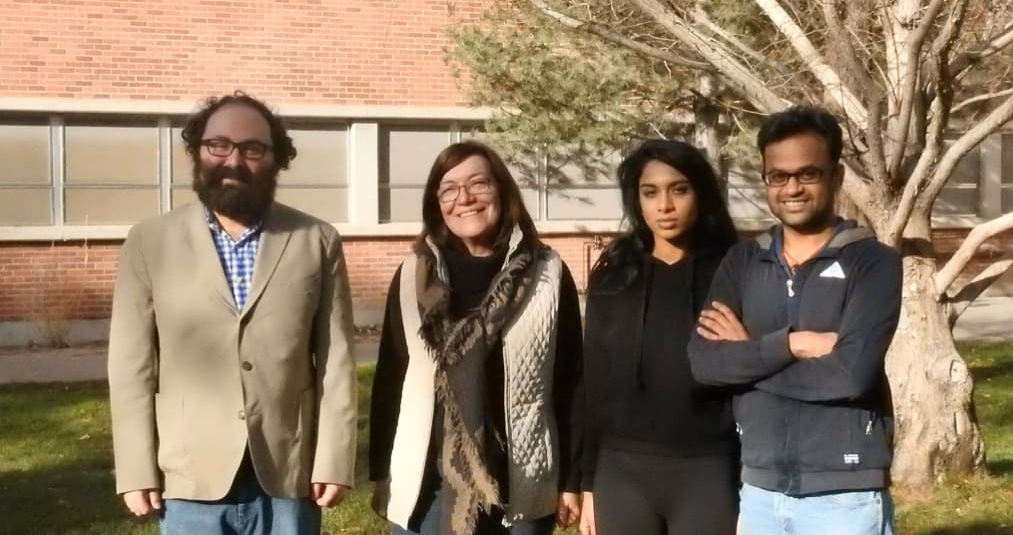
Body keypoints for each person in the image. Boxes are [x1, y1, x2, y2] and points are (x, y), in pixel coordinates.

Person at [107, 91, 357, 535]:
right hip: (189, 478)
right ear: (196, 153)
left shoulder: (316, 241)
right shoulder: (149, 242)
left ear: (277, 159)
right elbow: (131, 366)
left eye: (252, 148)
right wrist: (135, 467)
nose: (233, 160)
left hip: (287, 474)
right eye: (218, 145)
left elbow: (336, 362)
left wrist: (334, 459)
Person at [687, 105, 903, 535]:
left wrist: (748, 357)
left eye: (809, 174)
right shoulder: (743, 260)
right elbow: (705, 364)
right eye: (779, 176)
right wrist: (792, 344)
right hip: (760, 492)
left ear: (836, 177)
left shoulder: (874, 263)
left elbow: (849, 377)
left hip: (845, 497)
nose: (793, 189)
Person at [368, 140, 583, 535]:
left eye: (479, 184)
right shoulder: (413, 276)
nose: (464, 198)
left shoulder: (548, 273)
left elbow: (571, 383)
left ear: (502, 191)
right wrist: (382, 472)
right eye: (449, 189)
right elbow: (391, 377)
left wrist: (572, 480)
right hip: (428, 483)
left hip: (521, 481)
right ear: (437, 204)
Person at [578, 139, 741, 535]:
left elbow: (754, 377)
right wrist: (585, 485)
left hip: (709, 468)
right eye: (650, 193)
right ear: (637, 200)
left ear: (701, 193)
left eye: (679, 190)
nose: (664, 206)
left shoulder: (736, 271)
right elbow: (593, 382)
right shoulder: (614, 274)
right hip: (622, 472)